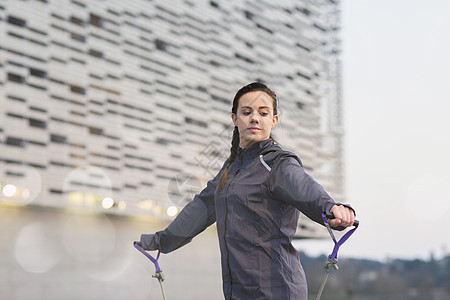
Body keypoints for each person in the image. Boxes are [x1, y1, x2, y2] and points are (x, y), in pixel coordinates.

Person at [138, 82, 356, 299]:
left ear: (274, 120)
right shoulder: (231, 170)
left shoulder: (278, 164)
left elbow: (305, 187)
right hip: (238, 292)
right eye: (246, 112)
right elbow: (201, 208)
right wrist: (161, 241)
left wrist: (331, 208)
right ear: (235, 118)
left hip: (278, 291)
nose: (254, 118)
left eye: (263, 113)